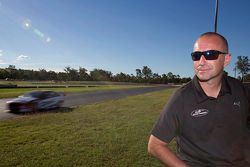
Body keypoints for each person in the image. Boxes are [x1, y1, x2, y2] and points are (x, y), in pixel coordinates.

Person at [148, 32, 250, 167]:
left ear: (226, 59)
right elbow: (155, 145)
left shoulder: (240, 90)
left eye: (210, 54)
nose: (201, 62)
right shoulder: (182, 98)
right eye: (196, 56)